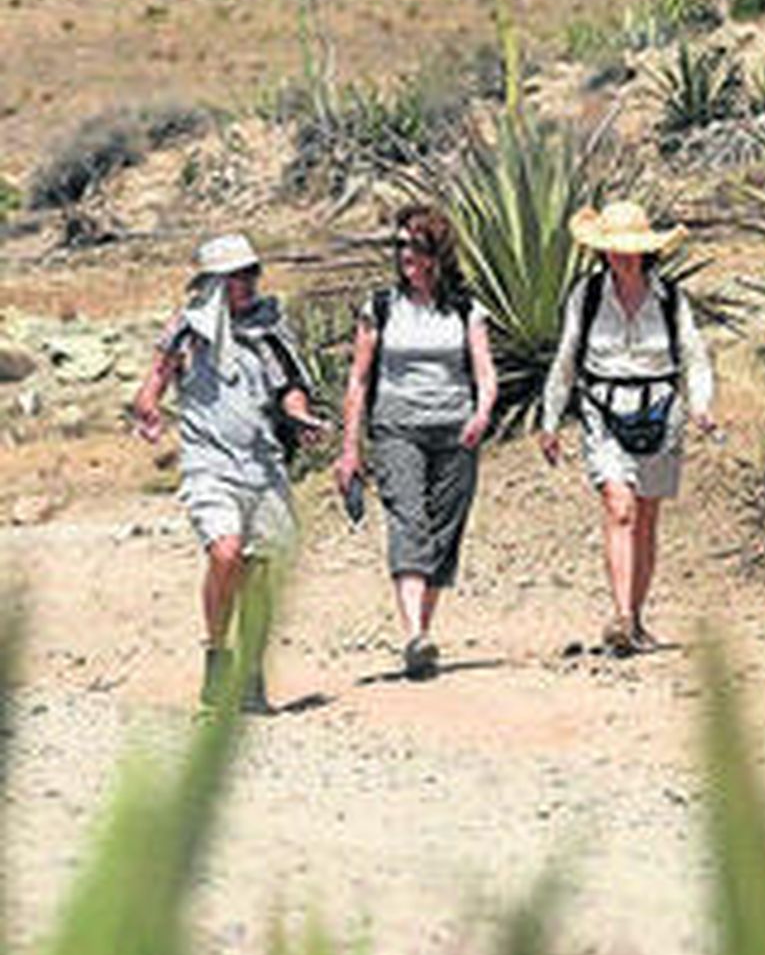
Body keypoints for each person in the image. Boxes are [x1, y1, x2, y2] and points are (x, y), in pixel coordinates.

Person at [132, 233, 323, 712]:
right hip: (208, 464)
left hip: (262, 465)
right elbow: (156, 377)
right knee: (225, 552)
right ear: (215, 283)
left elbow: (290, 385)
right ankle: (218, 652)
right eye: (237, 275)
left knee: (262, 573)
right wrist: (150, 407)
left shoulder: (269, 328)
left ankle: (252, 674)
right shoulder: (187, 329)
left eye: (251, 272)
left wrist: (299, 416)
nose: (248, 283)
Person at [538, 200, 715, 657]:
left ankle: (635, 616)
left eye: (630, 248)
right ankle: (621, 615)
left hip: (662, 414)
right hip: (603, 411)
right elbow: (567, 355)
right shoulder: (588, 295)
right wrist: (551, 418)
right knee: (620, 507)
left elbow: (694, 355)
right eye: (613, 248)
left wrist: (701, 405)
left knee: (647, 516)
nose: (621, 256)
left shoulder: (671, 298)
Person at [336, 204, 498, 680]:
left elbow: (486, 374)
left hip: (455, 429)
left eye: (416, 246)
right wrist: (351, 448)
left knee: (444, 531)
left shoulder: (467, 309)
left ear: (437, 253)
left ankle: (421, 638)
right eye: (400, 245)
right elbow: (358, 380)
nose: (405, 255)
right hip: (396, 429)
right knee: (409, 520)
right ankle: (412, 634)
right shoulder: (381, 307)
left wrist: (482, 414)